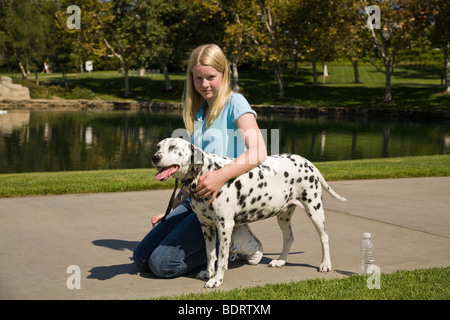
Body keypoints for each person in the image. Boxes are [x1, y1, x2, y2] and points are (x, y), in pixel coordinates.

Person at [133, 44, 267, 278]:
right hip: (196, 200)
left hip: (222, 201)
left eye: (211, 77)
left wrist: (220, 176)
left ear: (223, 74)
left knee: (163, 265)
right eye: (198, 78)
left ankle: (238, 240)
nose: (204, 84)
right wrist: (174, 208)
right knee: (141, 258)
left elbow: (258, 151)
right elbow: (195, 169)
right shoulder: (199, 113)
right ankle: (224, 238)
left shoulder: (236, 103)